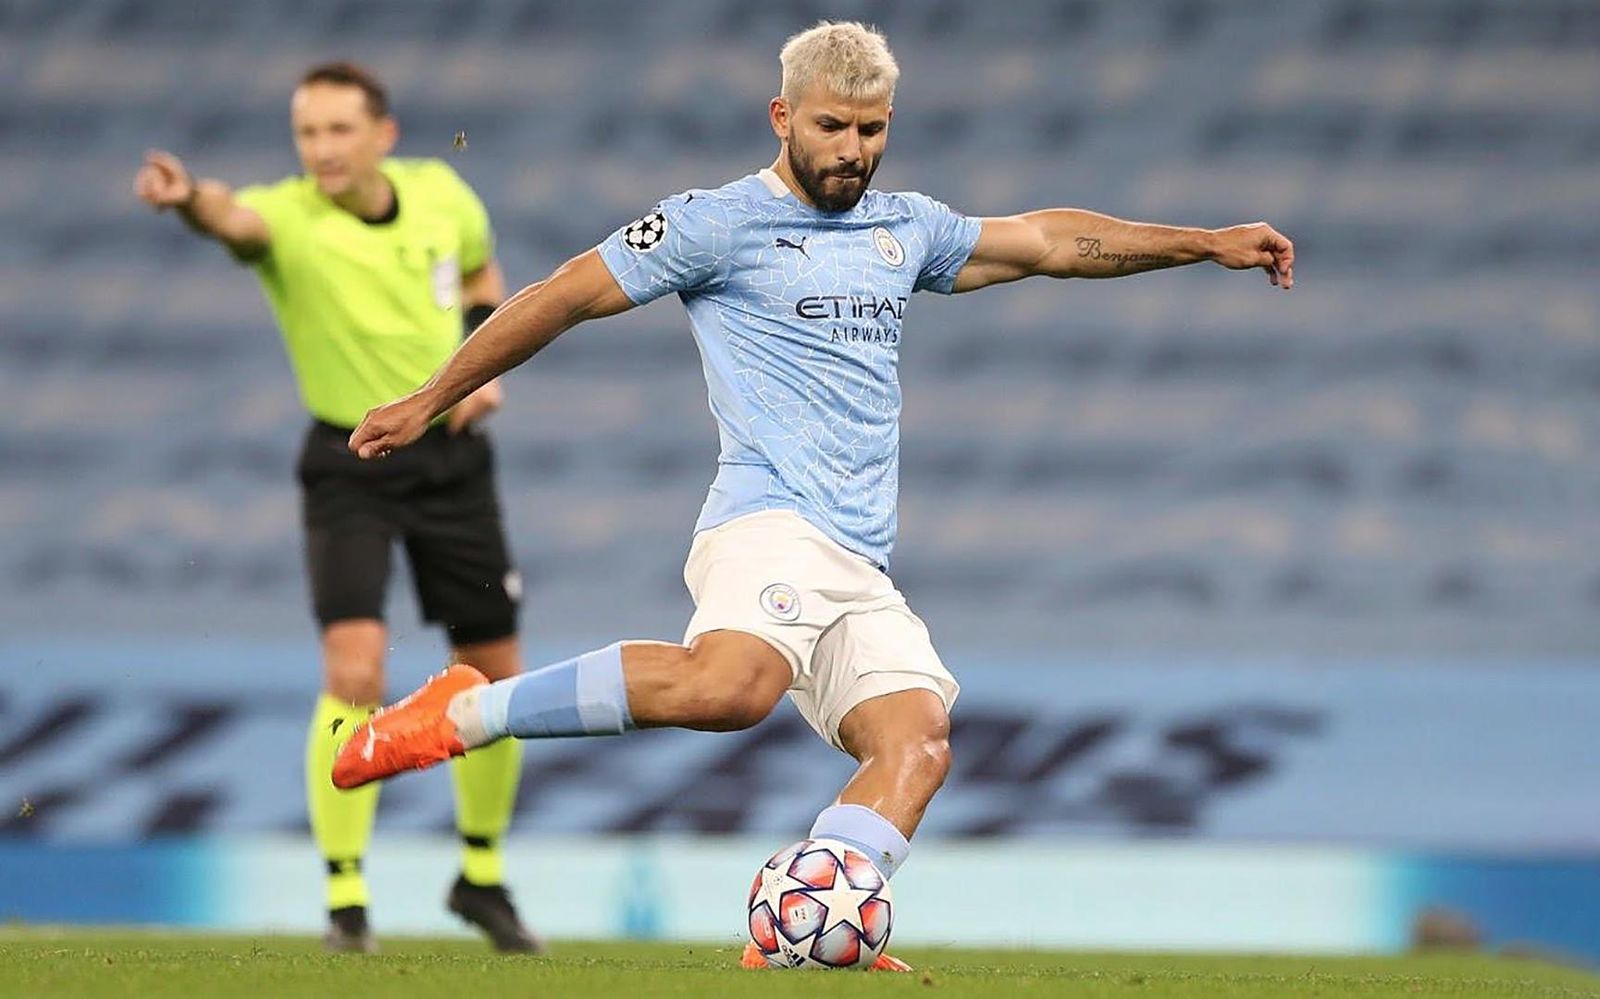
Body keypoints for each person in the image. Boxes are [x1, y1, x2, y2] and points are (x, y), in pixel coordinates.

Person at [331, 22, 1295, 969]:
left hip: (857, 556)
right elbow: (565, 293)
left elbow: (1047, 240)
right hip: (765, 522)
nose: (853, 151)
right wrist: (430, 397)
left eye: (872, 131)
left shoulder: (905, 229)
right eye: (833, 127)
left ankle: (820, 915)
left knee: (916, 744)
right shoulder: (714, 223)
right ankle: (467, 711)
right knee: (732, 686)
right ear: (782, 116)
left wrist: (1205, 241)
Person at [133, 61, 539, 954]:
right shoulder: (288, 218)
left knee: (493, 674)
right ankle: (347, 899)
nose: (321, 149)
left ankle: (480, 876)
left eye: (337, 130)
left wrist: (479, 369)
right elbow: (231, 219)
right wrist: (188, 194)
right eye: (307, 132)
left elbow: (481, 275)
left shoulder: (443, 194)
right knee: (355, 669)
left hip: (452, 460)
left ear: (382, 135)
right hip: (348, 461)